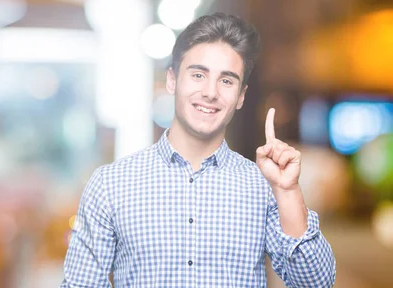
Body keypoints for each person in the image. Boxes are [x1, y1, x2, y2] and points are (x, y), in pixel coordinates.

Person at [61, 12, 336, 287]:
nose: (210, 92)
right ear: (172, 80)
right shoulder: (110, 184)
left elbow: (316, 283)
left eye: (226, 80)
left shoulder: (263, 187)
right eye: (198, 75)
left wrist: (287, 192)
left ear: (240, 97)